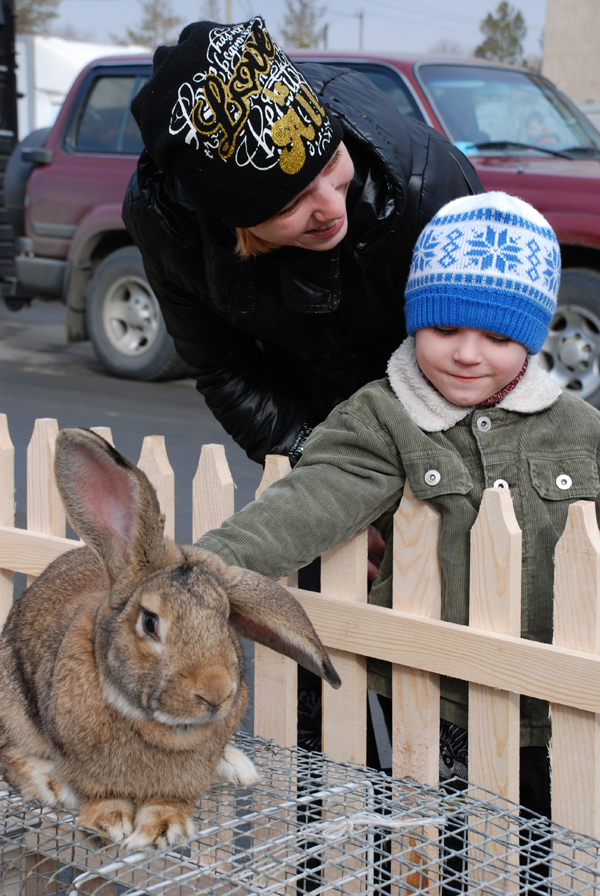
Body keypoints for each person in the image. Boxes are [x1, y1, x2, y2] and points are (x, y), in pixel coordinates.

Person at [194, 190, 592, 825]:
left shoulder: (579, 430)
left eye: (496, 335)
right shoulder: (384, 416)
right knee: (423, 844)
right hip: (427, 699)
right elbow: (311, 496)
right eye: (444, 328)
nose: (466, 353)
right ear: (414, 321)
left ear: (531, 334)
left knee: (552, 849)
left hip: (558, 706)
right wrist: (205, 569)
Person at [123, 16, 483, 471]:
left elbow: (485, 352)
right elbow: (224, 368)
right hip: (313, 406)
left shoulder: (427, 184)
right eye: (290, 204)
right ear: (232, 222)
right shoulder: (165, 225)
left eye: (332, 161)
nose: (333, 209)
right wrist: (319, 469)